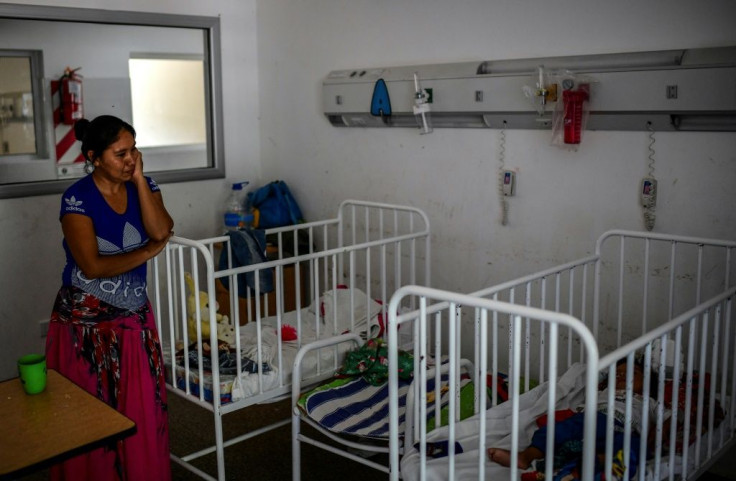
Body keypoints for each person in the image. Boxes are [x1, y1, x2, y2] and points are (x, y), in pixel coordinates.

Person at [45, 115, 174, 481]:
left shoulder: (144, 184)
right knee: (91, 412)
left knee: (142, 407)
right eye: (120, 154)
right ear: (94, 157)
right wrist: (149, 252)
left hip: (133, 317)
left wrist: (137, 181)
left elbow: (162, 229)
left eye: (133, 150)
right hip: (85, 323)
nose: (130, 159)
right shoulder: (77, 198)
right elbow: (92, 265)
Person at [488, 361, 665, 480]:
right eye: (617, 374)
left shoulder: (649, 402)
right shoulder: (602, 393)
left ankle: (601, 464)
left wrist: (653, 438)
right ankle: (525, 457)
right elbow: (589, 384)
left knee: (636, 447)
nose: (622, 376)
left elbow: (668, 419)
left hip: (623, 430)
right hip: (591, 420)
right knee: (557, 430)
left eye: (631, 373)